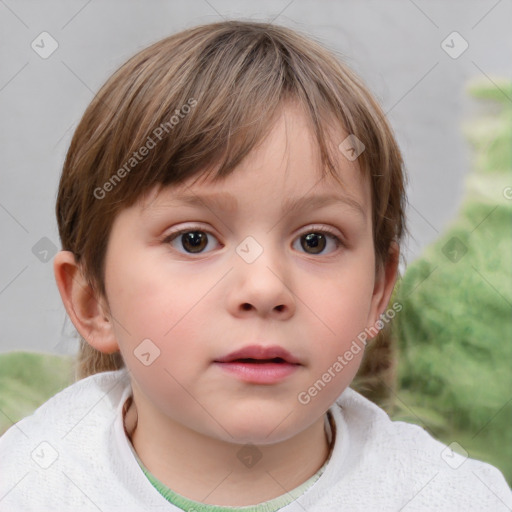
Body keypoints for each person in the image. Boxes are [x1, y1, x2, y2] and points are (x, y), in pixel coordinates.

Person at [0, 20, 510, 511]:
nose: (265, 288)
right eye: (195, 241)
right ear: (93, 302)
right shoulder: (27, 489)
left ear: (378, 293)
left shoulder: (453, 499)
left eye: (315, 241)